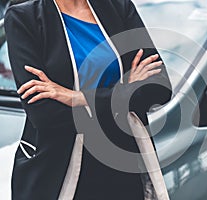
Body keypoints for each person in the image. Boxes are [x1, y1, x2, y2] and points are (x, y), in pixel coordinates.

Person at [5, 0, 172, 199]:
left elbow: (160, 88)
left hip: (121, 166)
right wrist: (122, 91)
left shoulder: (117, 7)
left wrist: (77, 97)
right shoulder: (24, 17)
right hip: (58, 172)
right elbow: (44, 115)